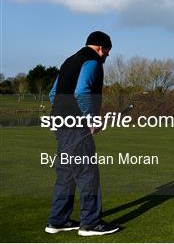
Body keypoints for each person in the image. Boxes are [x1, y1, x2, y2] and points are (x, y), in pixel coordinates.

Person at [45, 31, 120, 236]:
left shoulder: (69, 61)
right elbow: (81, 92)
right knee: (88, 174)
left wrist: (62, 114)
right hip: (76, 128)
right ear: (99, 47)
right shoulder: (92, 61)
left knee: (66, 174)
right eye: (107, 51)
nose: (107, 55)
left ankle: (58, 221)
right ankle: (91, 224)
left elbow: (54, 94)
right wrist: (91, 119)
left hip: (60, 124)